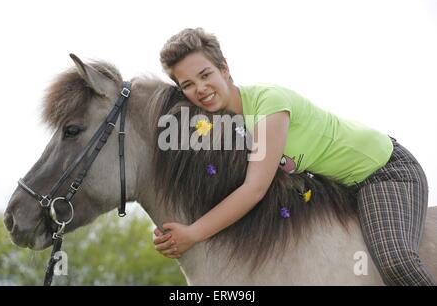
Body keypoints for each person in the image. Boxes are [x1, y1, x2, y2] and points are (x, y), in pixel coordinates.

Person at [153, 27, 435, 286]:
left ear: (224, 68)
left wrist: (193, 233)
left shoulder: (268, 104)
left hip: (383, 170)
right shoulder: (226, 126)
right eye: (187, 84)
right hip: (338, 187)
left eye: (205, 75)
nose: (200, 89)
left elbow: (254, 189)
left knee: (395, 260)